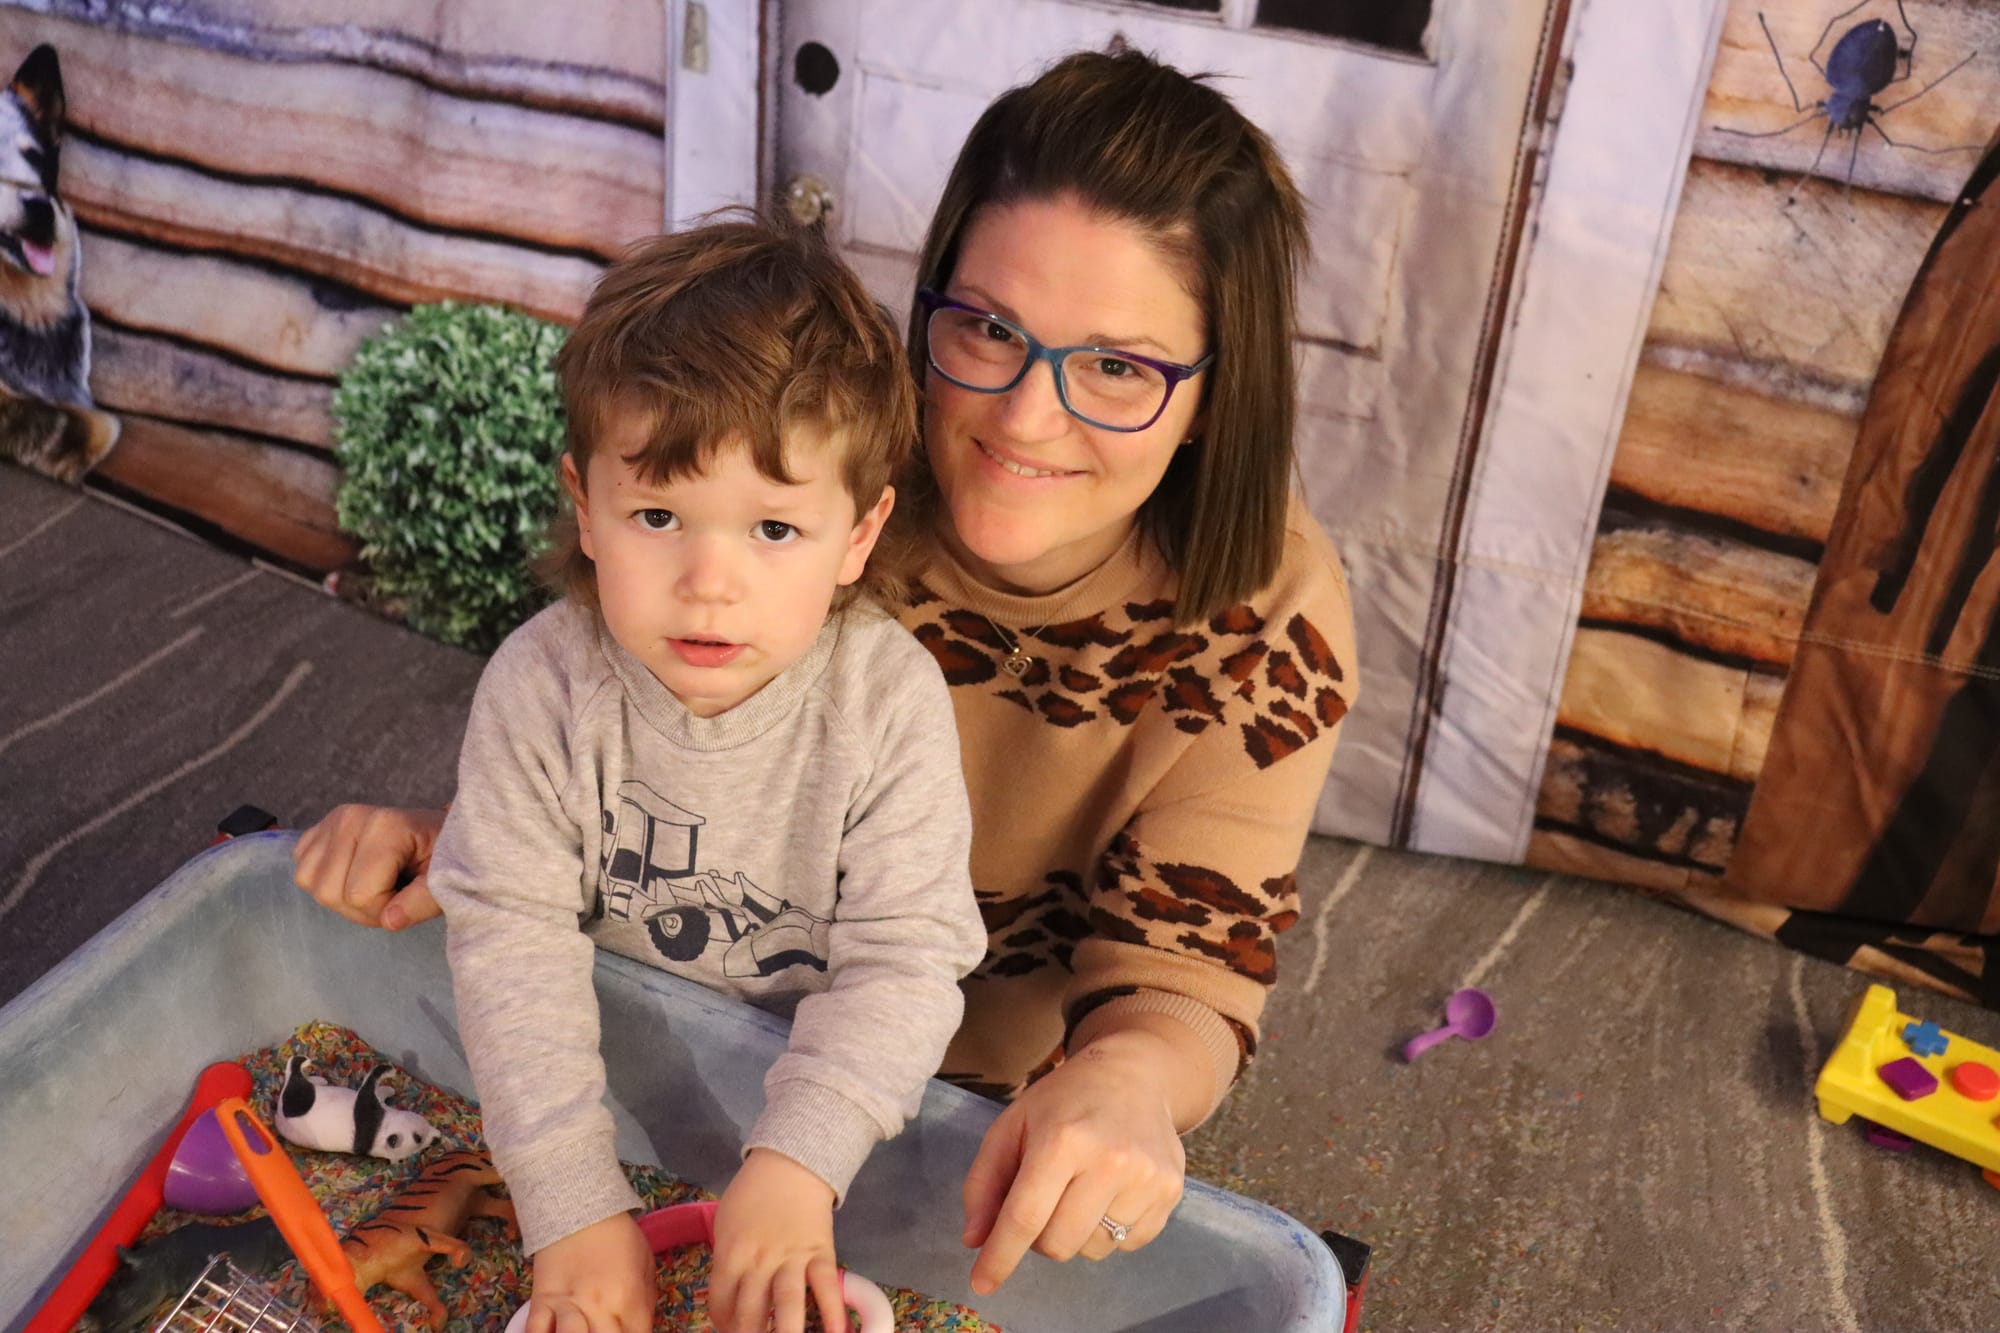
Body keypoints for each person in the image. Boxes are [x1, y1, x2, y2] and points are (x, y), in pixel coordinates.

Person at [295, 45, 1358, 1302]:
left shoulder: (1266, 617)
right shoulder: (796, 461)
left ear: (1211, 396)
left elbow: (1184, 965)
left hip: (947, 1096)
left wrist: (1126, 1076)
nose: (1023, 416)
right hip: (661, 1014)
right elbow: (629, 753)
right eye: (987, 329)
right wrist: (472, 840)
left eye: (1117, 365)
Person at [422, 218, 988, 1333]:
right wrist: (571, 1208)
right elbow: (509, 943)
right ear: (584, 505)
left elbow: (908, 961)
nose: (708, 583)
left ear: (859, 535)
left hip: (826, 1115)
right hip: (594, 1085)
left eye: (774, 527)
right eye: (658, 515)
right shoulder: (541, 686)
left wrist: (796, 1164)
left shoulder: (885, 702)